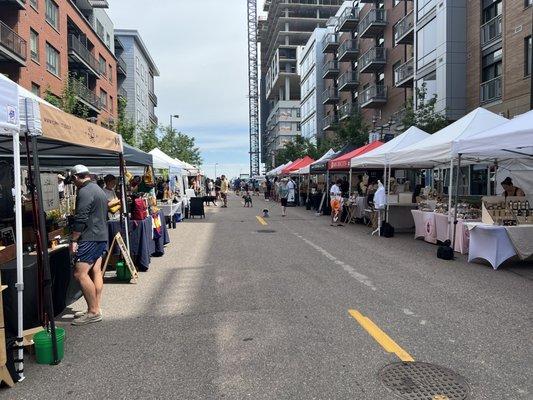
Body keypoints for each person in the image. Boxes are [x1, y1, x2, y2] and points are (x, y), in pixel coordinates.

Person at [69, 165, 108, 326]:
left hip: (89, 237)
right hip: (101, 235)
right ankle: (96, 307)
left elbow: (81, 217)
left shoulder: (84, 191)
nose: (73, 183)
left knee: (80, 274)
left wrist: (74, 240)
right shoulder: (98, 189)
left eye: (72, 180)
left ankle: (93, 312)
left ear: (76, 177)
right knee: (96, 271)